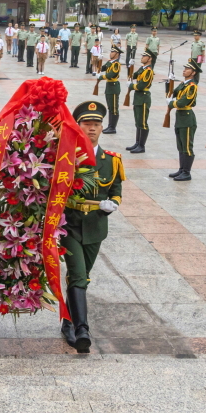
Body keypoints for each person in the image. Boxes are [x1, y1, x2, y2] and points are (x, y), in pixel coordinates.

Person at [60, 100, 123, 352]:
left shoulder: (112, 160)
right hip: (71, 224)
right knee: (77, 274)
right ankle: (81, 329)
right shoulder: (67, 157)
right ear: (78, 126)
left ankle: (67, 320)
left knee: (83, 277)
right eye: (87, 124)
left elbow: (116, 190)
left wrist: (113, 204)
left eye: (97, 124)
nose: (92, 129)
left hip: (96, 226)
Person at [167, 60, 200, 180]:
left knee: (187, 146)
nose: (184, 70)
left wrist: (172, 103)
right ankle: (181, 169)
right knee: (180, 145)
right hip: (180, 117)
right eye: (185, 68)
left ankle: (187, 172)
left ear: (193, 72)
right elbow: (173, 93)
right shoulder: (184, 84)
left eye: (187, 69)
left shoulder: (192, 86)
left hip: (187, 118)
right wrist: (169, 82)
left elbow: (182, 102)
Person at [126, 51, 155, 154]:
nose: (142, 57)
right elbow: (132, 76)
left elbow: (141, 86)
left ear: (150, 58)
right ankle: (137, 143)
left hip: (143, 98)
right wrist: (130, 66)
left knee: (142, 122)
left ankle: (142, 146)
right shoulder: (142, 69)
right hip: (138, 97)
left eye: (144, 56)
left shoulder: (148, 71)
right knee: (138, 121)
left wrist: (131, 86)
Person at [97, 44, 123, 134]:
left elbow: (110, 75)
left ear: (117, 54)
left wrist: (100, 77)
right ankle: (110, 126)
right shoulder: (110, 62)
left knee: (114, 108)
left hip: (114, 87)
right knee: (110, 107)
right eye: (111, 51)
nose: (111, 53)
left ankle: (113, 127)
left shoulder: (116, 64)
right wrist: (99, 60)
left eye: (113, 52)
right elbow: (101, 68)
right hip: (109, 86)